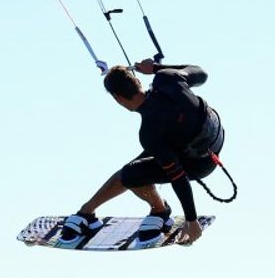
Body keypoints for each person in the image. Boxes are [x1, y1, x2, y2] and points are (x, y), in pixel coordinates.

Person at [60, 59, 225, 245]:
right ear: (138, 81)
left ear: (117, 98)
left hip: (197, 164)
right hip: (212, 143)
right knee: (132, 168)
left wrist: (191, 220)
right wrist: (156, 68)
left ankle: (159, 210)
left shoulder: (150, 133)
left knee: (131, 175)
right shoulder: (167, 79)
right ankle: (86, 211)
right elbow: (201, 72)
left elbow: (178, 176)